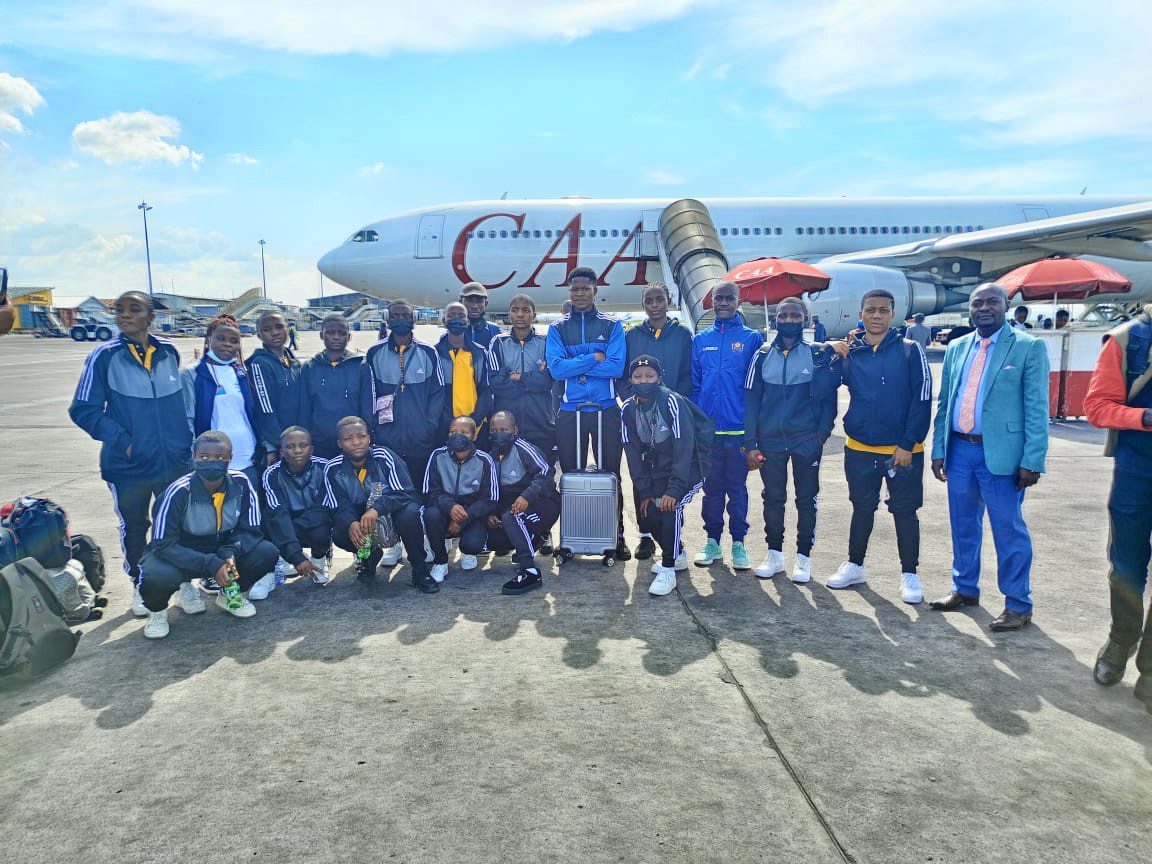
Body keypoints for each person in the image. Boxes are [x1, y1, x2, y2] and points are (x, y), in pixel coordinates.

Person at [928, 284, 1049, 631]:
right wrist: (940, 448)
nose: (984, 308)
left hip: (1003, 456)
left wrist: (1033, 459)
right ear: (969, 309)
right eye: (977, 303)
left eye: (991, 302)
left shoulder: (1028, 347)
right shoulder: (956, 347)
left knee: (1008, 529)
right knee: (963, 524)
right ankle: (965, 588)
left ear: (1006, 305)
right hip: (960, 450)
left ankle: (1018, 604)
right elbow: (945, 403)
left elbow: (1037, 408)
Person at [69, 290, 191, 613]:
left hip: (171, 460)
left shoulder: (169, 352)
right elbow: (83, 410)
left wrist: (182, 444)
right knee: (136, 526)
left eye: (134, 309)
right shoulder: (104, 356)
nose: (124, 315)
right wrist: (126, 441)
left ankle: (181, 583)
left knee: (176, 525)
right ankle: (142, 584)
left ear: (150, 316)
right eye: (120, 310)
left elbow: (177, 406)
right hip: (129, 464)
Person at [826, 289, 932, 603]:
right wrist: (829, 348)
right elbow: (824, 377)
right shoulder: (852, 352)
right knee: (862, 507)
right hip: (859, 448)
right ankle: (855, 564)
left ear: (893, 315)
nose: (876, 315)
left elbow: (922, 400)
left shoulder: (910, 351)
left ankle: (909, 574)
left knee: (905, 512)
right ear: (861, 314)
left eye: (883, 310)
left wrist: (906, 443)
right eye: (870, 310)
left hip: (901, 452)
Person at [137, 431, 279, 639]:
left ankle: (230, 593)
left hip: (221, 547)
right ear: (194, 457)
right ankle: (157, 611)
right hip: (183, 551)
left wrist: (230, 553)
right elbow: (163, 544)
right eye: (204, 456)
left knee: (266, 552)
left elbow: (250, 530)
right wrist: (211, 563)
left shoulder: (241, 483)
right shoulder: (178, 491)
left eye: (221, 457)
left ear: (230, 458)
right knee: (156, 573)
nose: (212, 461)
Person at [1084, 309, 1152, 708]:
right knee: (1126, 566)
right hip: (1138, 468)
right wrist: (1144, 417)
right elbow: (1097, 407)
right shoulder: (1129, 338)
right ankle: (1121, 637)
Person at [744, 297, 838, 584]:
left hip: (805, 441)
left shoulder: (818, 354)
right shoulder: (761, 354)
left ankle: (803, 558)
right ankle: (774, 554)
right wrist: (751, 443)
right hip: (770, 441)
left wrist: (820, 437)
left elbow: (828, 402)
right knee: (773, 499)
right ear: (775, 320)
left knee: (806, 500)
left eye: (795, 315)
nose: (788, 320)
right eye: (782, 315)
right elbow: (751, 400)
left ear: (805, 320)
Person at [546, 266, 631, 560]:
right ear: (569, 291)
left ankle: (617, 535)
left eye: (585, 288)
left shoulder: (612, 325)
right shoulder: (558, 328)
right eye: (575, 289)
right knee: (570, 475)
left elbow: (616, 367)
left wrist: (576, 365)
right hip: (570, 411)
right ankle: (570, 538)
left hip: (606, 409)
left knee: (611, 475)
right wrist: (593, 357)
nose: (579, 294)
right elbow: (556, 369)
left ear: (595, 290)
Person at [691, 281, 764, 570]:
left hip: (738, 432)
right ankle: (712, 541)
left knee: (737, 489)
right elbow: (696, 387)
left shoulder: (751, 339)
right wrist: (698, 426)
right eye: (718, 298)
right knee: (711, 491)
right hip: (710, 432)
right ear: (711, 302)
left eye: (728, 298)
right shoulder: (700, 340)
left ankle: (738, 543)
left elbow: (756, 388)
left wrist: (752, 435)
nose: (723, 303)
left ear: (737, 301)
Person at [622, 356, 709, 596]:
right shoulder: (628, 408)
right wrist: (645, 490)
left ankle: (669, 568)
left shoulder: (672, 401)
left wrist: (674, 488)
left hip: (688, 465)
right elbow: (631, 452)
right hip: (656, 467)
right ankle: (678, 554)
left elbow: (684, 446)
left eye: (649, 376)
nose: (643, 381)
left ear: (659, 378)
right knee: (649, 513)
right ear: (630, 380)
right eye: (638, 377)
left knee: (669, 507)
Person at [322, 416, 436, 591]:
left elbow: (405, 492)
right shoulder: (332, 468)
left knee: (410, 514)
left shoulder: (384, 456)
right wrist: (351, 522)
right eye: (348, 438)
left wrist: (376, 509)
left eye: (361, 436)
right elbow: (339, 505)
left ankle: (420, 570)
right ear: (339, 444)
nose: (356, 442)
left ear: (369, 438)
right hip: (362, 516)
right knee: (340, 531)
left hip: (391, 511)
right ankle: (369, 556)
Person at [361, 298, 445, 485]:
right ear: (387, 319)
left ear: (414, 318)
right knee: (389, 488)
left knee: (419, 487)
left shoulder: (428, 352)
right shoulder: (374, 353)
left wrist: (429, 426)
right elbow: (369, 394)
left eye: (406, 316)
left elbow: (437, 393)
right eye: (395, 316)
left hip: (420, 438)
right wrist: (375, 427)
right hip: (387, 438)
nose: (401, 320)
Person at [484, 410, 561, 595]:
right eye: (494, 430)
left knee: (513, 517)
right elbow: (490, 490)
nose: (499, 433)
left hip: (542, 503)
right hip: (510, 506)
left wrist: (527, 495)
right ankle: (533, 540)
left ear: (515, 430)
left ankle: (530, 571)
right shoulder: (489, 455)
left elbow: (546, 475)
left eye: (504, 429)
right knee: (494, 538)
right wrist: (491, 512)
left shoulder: (524, 448)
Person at [181, 314, 262, 484]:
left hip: (247, 458)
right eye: (221, 338)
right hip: (214, 462)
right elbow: (188, 419)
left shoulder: (242, 373)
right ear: (209, 339)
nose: (227, 344)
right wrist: (195, 458)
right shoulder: (193, 374)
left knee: (249, 509)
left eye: (233, 341)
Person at [421, 416, 501, 582]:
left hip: (472, 514)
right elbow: (429, 491)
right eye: (453, 432)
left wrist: (464, 518)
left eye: (464, 433)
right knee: (430, 515)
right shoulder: (437, 455)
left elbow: (491, 499)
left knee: (472, 544)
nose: (458, 436)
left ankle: (467, 552)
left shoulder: (485, 460)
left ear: (474, 436)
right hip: (444, 509)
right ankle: (440, 562)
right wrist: (450, 507)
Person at [260, 426, 333, 591]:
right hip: (287, 519)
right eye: (290, 447)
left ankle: (318, 559)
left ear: (311, 449)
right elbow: (278, 512)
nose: (297, 450)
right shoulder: (271, 474)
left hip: (315, 522)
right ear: (282, 452)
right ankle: (279, 564)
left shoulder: (325, 468)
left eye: (303, 445)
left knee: (321, 531)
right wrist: (296, 555)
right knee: (270, 522)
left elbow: (324, 508)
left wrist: (291, 532)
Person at [487, 293, 556, 462]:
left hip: (540, 420)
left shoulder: (545, 342)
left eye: (526, 310)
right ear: (509, 314)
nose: (520, 314)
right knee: (508, 475)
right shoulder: (498, 342)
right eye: (515, 310)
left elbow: (546, 381)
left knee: (543, 471)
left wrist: (516, 377)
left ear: (534, 315)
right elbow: (497, 384)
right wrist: (532, 379)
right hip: (507, 424)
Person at [298, 314, 363, 460]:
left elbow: (365, 405)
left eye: (342, 333)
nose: (336, 337)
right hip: (319, 443)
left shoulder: (360, 366)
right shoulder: (309, 367)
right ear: (321, 335)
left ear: (349, 336)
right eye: (330, 333)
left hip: (353, 443)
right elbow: (304, 407)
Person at [246, 310, 301, 467]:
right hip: (282, 446)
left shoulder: (292, 361)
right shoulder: (259, 364)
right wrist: (276, 445)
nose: (274, 333)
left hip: (298, 441)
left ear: (287, 329)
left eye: (279, 327)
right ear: (259, 335)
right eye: (267, 329)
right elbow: (265, 409)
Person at [434, 301, 490, 438]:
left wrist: (475, 420)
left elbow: (486, 390)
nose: (456, 319)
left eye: (461, 315)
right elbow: (435, 394)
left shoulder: (479, 352)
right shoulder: (434, 353)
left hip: (476, 427)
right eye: (451, 315)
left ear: (468, 320)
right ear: (444, 320)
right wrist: (448, 423)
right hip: (446, 427)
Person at [459, 282, 503, 348]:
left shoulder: (495, 331)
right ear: (461, 303)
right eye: (469, 301)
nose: (474, 306)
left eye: (479, 301)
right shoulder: (452, 333)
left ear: (486, 304)